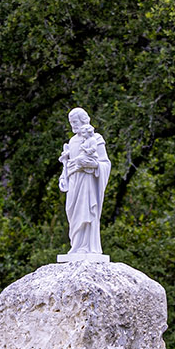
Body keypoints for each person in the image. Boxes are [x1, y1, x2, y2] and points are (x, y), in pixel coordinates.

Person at [58, 107, 111, 259]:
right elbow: (67, 163)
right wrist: (63, 176)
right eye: (70, 122)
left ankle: (87, 247)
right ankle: (76, 245)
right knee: (72, 211)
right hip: (74, 180)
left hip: (87, 182)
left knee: (86, 211)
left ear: (83, 120)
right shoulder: (72, 141)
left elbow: (104, 163)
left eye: (74, 121)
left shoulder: (96, 138)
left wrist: (90, 165)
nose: (72, 125)